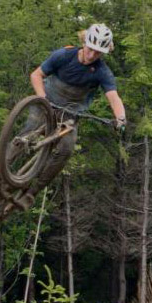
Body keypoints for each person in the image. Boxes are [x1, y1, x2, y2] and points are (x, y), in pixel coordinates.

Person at [24, 24, 128, 184]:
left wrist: (121, 119)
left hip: (70, 114)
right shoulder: (63, 55)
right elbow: (36, 75)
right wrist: (43, 98)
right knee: (28, 132)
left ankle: (35, 188)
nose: (92, 55)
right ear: (84, 42)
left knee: (66, 148)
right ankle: (3, 164)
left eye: (98, 52)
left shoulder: (102, 72)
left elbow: (114, 98)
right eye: (90, 49)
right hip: (47, 102)